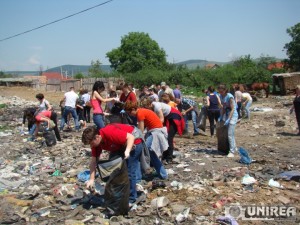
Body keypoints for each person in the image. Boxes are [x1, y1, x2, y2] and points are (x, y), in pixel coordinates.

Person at [82, 125, 144, 204]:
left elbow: (131, 137)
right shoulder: (96, 144)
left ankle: (131, 199)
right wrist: (91, 179)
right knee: (113, 170)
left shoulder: (109, 132)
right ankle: (119, 193)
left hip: (134, 141)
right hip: (119, 145)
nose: (91, 146)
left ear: (97, 137)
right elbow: (93, 162)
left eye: (91, 143)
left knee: (129, 171)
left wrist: (127, 151)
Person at [124, 101, 168, 180]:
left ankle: (139, 175)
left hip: (156, 132)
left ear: (133, 109)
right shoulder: (142, 111)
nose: (130, 115)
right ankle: (162, 174)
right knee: (151, 153)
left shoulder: (140, 113)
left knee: (143, 149)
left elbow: (140, 131)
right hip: (154, 131)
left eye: (130, 113)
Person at [139, 98, 184, 163]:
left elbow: (161, 120)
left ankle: (169, 157)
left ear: (149, 104)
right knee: (164, 136)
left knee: (169, 137)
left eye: (146, 107)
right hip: (167, 117)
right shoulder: (151, 108)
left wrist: (155, 127)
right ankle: (165, 155)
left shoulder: (157, 106)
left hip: (174, 116)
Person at [218, 84, 238, 157]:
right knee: (230, 134)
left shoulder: (230, 97)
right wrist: (221, 116)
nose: (220, 93)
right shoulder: (221, 96)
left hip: (233, 116)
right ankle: (234, 147)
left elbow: (233, 108)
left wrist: (229, 119)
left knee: (230, 134)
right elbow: (223, 107)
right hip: (227, 115)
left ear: (225, 90)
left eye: (221, 92)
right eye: (219, 92)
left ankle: (232, 151)